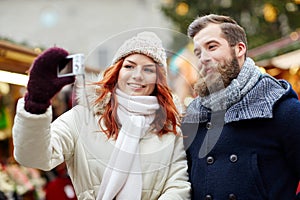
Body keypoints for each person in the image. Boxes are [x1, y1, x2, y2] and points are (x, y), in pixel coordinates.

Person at [12, 31, 191, 199]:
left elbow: (178, 186)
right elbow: (33, 157)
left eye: (148, 70)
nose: (137, 75)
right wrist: (36, 104)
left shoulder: (170, 128)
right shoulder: (82, 117)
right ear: (117, 72)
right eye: (129, 66)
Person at [181, 14, 300, 199]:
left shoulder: (281, 109)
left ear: (239, 49)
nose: (203, 58)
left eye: (212, 47)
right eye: (198, 53)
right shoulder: (194, 116)